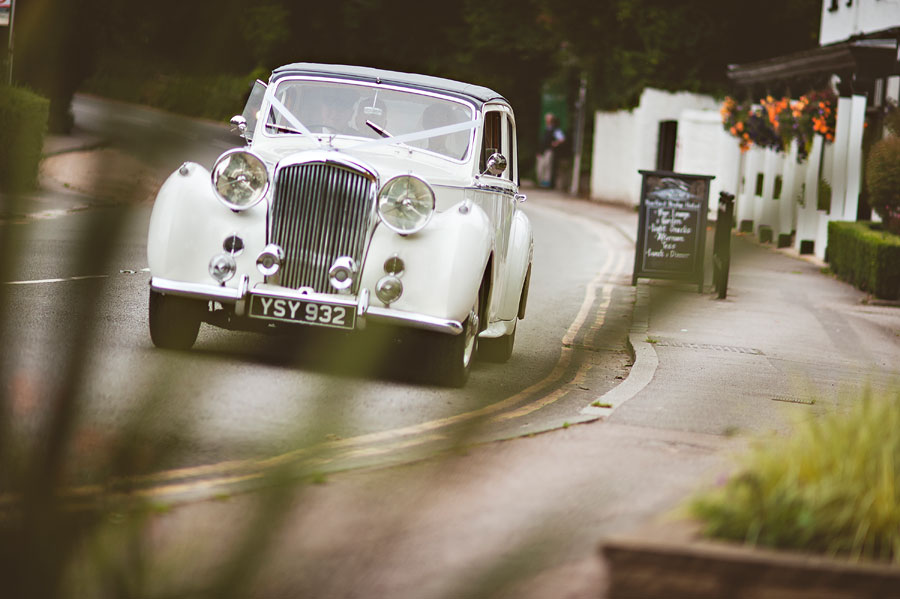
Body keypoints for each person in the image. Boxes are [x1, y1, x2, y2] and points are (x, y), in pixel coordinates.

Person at [537, 112, 565, 188]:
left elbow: (562, 139)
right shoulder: (546, 129)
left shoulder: (555, 129)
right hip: (542, 151)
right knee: (541, 167)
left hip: (548, 150)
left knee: (547, 167)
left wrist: (556, 143)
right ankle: (541, 182)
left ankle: (546, 183)